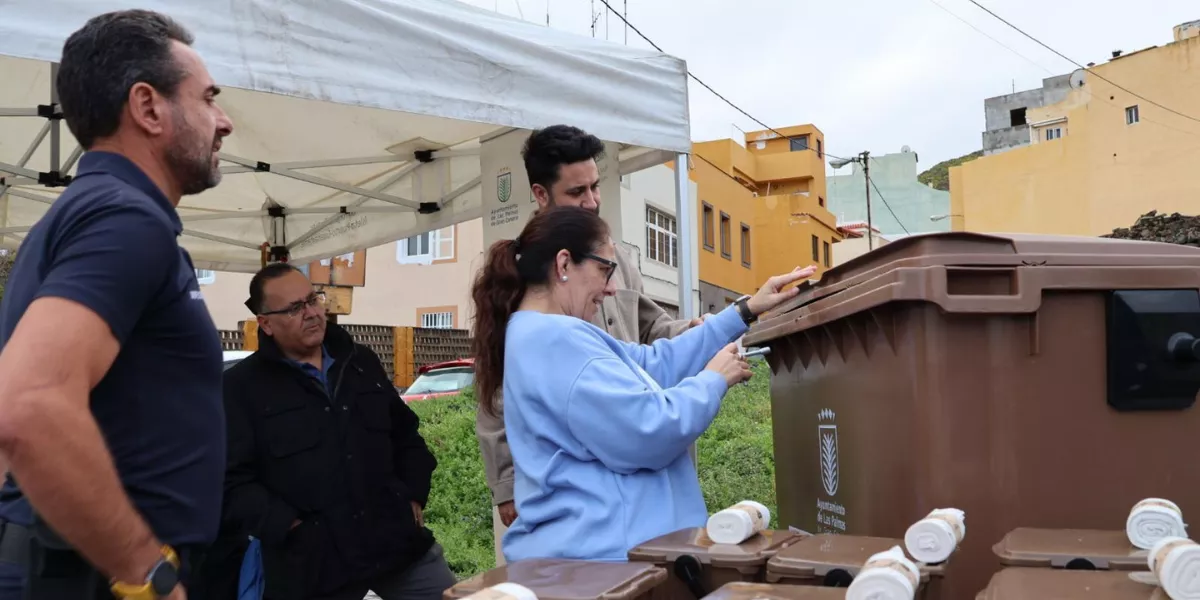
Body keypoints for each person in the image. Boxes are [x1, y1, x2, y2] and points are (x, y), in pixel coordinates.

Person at [0, 9, 233, 600]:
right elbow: (27, 405)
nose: (224, 121)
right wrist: (145, 575)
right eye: (208, 99)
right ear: (148, 107)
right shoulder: (124, 219)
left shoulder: (91, 213)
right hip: (100, 576)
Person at [469, 206, 815, 562]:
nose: (612, 288)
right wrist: (713, 380)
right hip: (610, 563)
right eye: (605, 270)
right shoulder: (555, 342)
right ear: (563, 265)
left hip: (603, 556)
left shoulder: (547, 335)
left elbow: (649, 366)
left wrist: (742, 312)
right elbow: (648, 430)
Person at [475, 124, 697, 565]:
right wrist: (505, 481)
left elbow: (653, 332)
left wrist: (707, 329)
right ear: (541, 194)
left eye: (595, 186)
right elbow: (497, 385)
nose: (592, 200)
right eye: (577, 192)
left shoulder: (620, 258)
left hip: (638, 472)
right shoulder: (520, 272)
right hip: (573, 495)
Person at [222, 263, 456, 600]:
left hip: (394, 540)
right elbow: (230, 483)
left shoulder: (360, 362)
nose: (311, 313)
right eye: (294, 308)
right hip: (314, 563)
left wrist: (414, 494)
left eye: (313, 300)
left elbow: (406, 436)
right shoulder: (241, 388)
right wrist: (289, 527)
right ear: (266, 324)